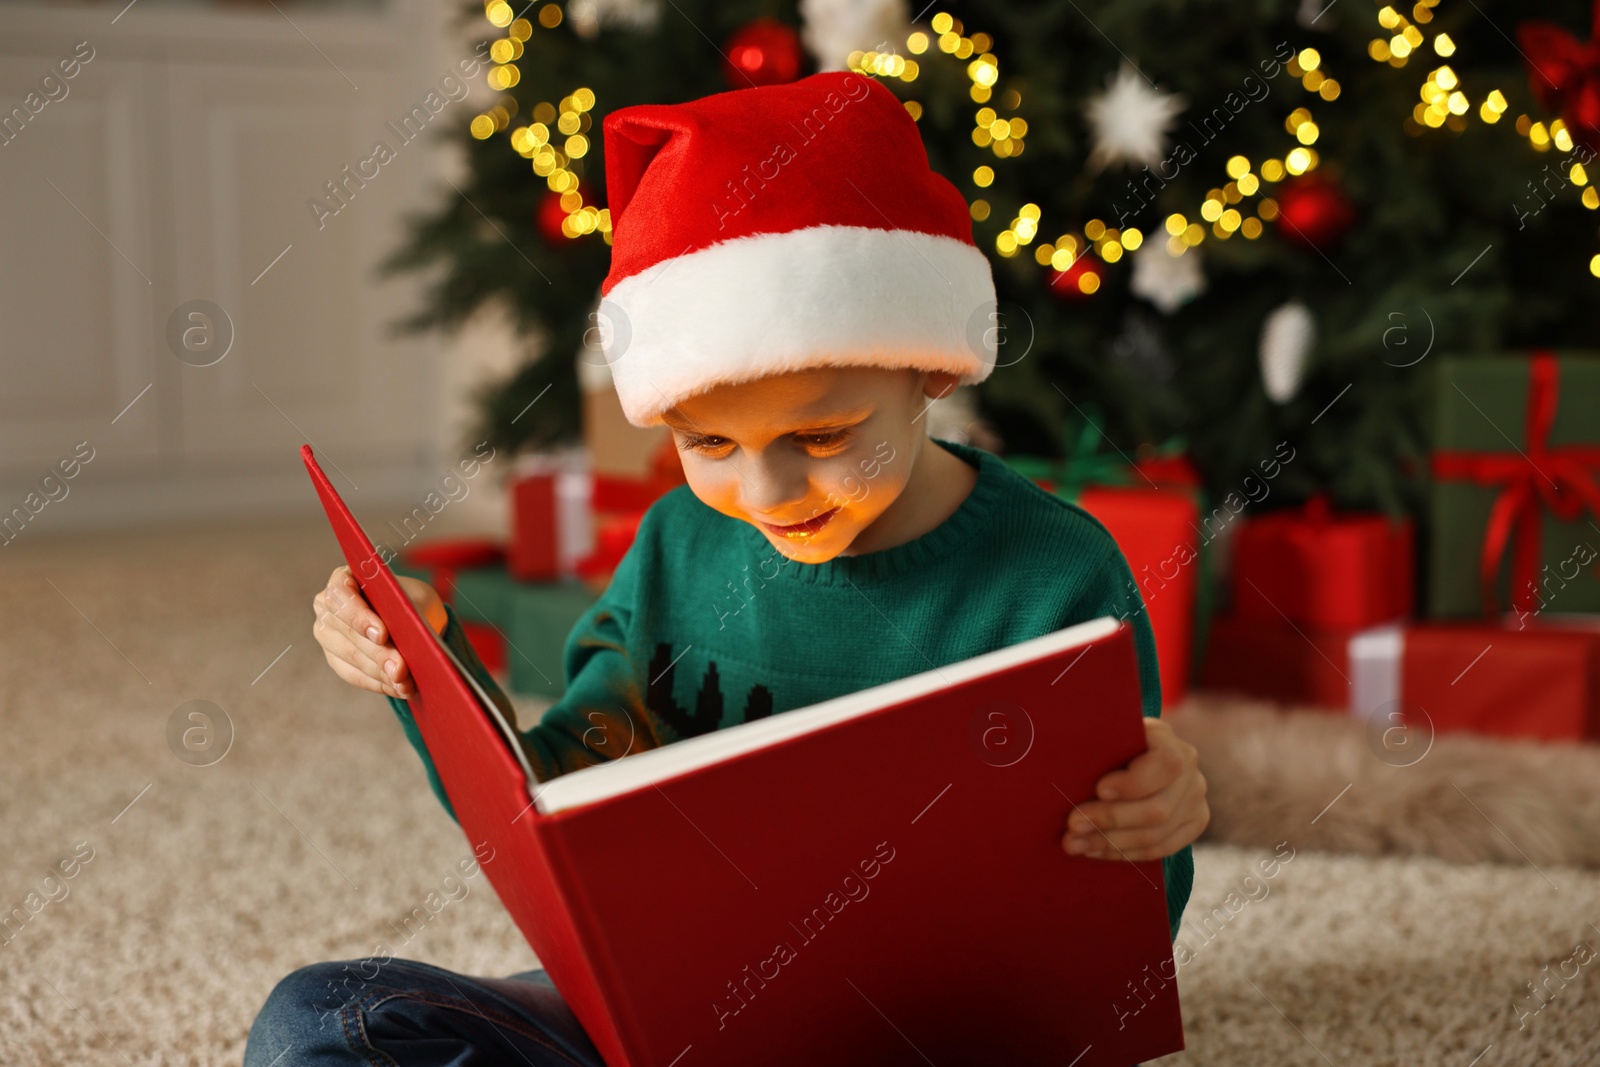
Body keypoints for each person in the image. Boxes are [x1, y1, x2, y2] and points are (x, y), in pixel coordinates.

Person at [245, 68, 1207, 1067]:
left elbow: (1108, 938)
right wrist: (421, 661)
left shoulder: (1051, 575)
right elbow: (557, 800)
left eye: (825, 434)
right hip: (674, 1025)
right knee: (319, 1016)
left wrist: (1161, 816)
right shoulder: (674, 545)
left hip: (928, 1036)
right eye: (708, 445)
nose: (768, 492)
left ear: (926, 367)